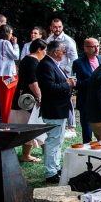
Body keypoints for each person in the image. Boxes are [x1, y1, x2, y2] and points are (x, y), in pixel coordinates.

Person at [37, 40, 75, 183]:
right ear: (55, 52)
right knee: (53, 140)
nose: (64, 53)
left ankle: (55, 167)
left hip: (59, 108)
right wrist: (67, 84)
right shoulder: (46, 65)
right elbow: (50, 88)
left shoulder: (52, 64)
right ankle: (50, 172)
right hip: (54, 109)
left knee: (58, 140)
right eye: (63, 51)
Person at [9, 39, 45, 164]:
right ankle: (27, 154)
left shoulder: (25, 59)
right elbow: (32, 82)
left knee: (31, 125)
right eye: (44, 50)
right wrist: (39, 96)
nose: (45, 53)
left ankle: (41, 150)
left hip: (22, 97)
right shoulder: (33, 62)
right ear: (39, 49)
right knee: (31, 125)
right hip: (28, 99)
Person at [0, 24, 18, 124]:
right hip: (7, 74)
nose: (11, 35)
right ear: (6, 34)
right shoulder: (6, 43)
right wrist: (15, 45)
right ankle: (5, 121)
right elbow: (16, 56)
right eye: (10, 33)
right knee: (7, 99)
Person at [72, 38, 100, 142]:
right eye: (93, 46)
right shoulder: (78, 63)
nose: (96, 49)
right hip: (86, 100)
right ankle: (87, 152)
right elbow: (76, 84)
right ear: (85, 48)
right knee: (87, 130)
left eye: (97, 46)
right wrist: (93, 79)